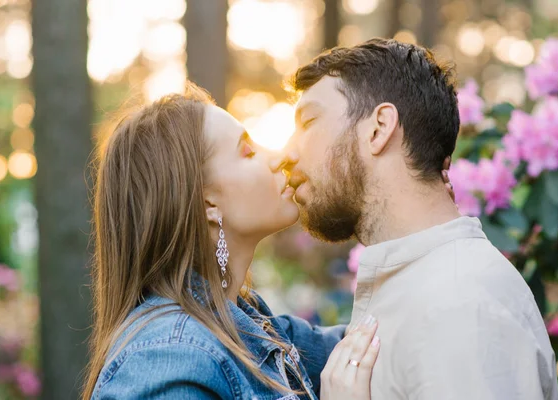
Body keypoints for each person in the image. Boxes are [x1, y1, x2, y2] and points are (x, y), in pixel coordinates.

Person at [285, 38, 558, 399]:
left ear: (379, 127)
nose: (288, 152)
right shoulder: (424, 285)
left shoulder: (459, 304)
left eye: (309, 121)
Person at [83, 84, 385, 400]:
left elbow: (376, 343)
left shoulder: (251, 325)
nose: (279, 157)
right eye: (248, 151)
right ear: (207, 205)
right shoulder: (171, 359)